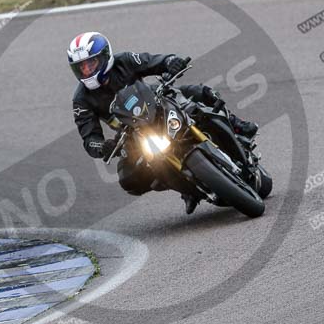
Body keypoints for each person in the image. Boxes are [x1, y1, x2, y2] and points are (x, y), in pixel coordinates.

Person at [69, 31, 258, 214]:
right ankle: (188, 189)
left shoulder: (124, 61)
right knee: (129, 178)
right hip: (132, 132)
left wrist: (170, 62)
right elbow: (89, 138)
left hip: (156, 105)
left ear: (105, 56)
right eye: (81, 67)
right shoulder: (81, 100)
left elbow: (153, 61)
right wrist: (103, 147)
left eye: (91, 63)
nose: (87, 70)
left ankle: (237, 125)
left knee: (199, 93)